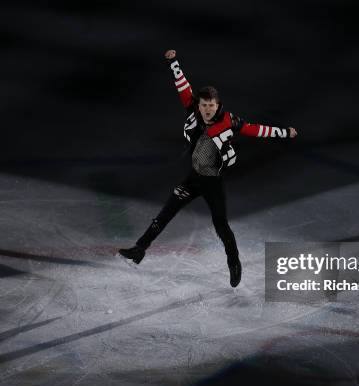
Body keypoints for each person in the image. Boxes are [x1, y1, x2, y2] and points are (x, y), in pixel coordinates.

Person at [119, 49, 297, 288]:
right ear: (199, 105)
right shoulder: (193, 111)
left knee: (221, 225)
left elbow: (256, 129)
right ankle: (139, 249)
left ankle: (234, 263)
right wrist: (173, 61)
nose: (207, 109)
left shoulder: (229, 121)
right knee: (165, 213)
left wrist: (284, 132)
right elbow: (182, 85)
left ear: (217, 104)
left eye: (211, 105)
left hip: (213, 182)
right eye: (203, 105)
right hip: (193, 178)